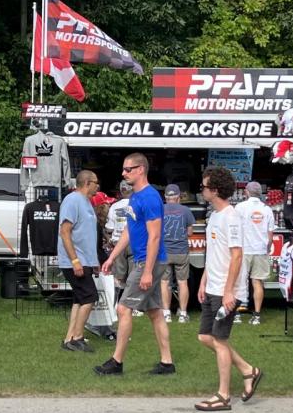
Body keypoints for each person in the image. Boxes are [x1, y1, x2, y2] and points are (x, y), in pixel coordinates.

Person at [96, 153, 176, 375]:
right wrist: (112, 257)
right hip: (144, 261)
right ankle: (167, 363)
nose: (124, 173)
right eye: (124, 169)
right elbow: (129, 231)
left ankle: (116, 362)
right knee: (155, 312)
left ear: (141, 169)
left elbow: (155, 237)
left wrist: (147, 271)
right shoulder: (135, 197)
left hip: (148, 262)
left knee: (123, 309)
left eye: (128, 169)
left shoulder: (150, 198)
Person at [193, 167, 262, 411]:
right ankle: (248, 370)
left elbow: (237, 256)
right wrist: (204, 280)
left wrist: (229, 291)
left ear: (215, 190)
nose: (201, 191)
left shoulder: (231, 217)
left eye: (204, 187)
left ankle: (223, 395)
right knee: (205, 337)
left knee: (220, 340)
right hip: (213, 286)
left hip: (227, 289)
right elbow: (214, 253)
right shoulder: (214, 216)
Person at [58, 170, 101, 353]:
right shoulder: (72, 200)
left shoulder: (87, 202)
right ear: (87, 183)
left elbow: (87, 235)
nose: (98, 186)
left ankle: (69, 338)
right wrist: (75, 260)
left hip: (86, 260)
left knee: (79, 299)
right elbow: (65, 231)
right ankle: (77, 337)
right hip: (75, 261)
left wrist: (94, 261)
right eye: (96, 182)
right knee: (90, 297)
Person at [237, 181, 275, 325]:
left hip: (244, 249)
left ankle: (237, 314)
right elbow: (270, 235)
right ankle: (257, 315)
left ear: (247, 192)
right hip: (260, 249)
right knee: (257, 281)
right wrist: (267, 248)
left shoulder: (240, 207)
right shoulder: (267, 209)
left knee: (240, 281)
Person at [160, 184, 195, 323]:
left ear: (165, 197)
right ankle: (183, 314)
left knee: (165, 282)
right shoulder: (186, 210)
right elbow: (190, 232)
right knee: (182, 282)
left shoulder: (160, 209)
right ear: (179, 197)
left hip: (164, 251)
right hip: (181, 251)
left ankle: (166, 313)